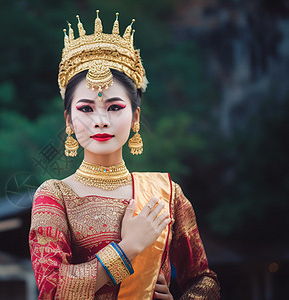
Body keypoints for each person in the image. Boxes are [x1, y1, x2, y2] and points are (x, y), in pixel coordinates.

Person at [29, 10, 220, 299]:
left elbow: (204, 279)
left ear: (135, 117)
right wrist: (130, 247)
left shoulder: (165, 196)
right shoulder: (55, 196)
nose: (101, 120)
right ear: (68, 120)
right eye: (86, 108)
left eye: (115, 107)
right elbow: (53, 291)